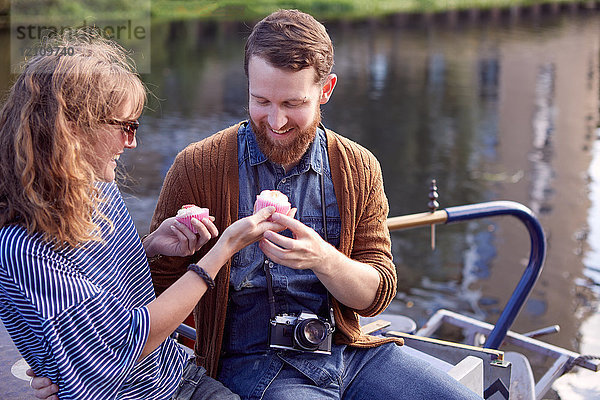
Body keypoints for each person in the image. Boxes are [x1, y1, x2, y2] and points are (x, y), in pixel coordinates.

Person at [147, 9, 481, 400]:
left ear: (326, 90)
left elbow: (376, 296)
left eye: (293, 103)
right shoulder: (198, 166)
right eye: (261, 101)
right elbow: (149, 292)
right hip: (252, 364)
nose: (276, 120)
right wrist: (157, 247)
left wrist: (322, 258)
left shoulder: (358, 166)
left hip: (349, 353)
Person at [0, 30, 289, 400]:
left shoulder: (95, 185)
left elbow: (95, 279)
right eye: (126, 126)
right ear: (72, 128)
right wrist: (225, 249)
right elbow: (131, 339)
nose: (132, 141)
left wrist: (149, 246)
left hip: (176, 375)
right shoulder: (22, 248)